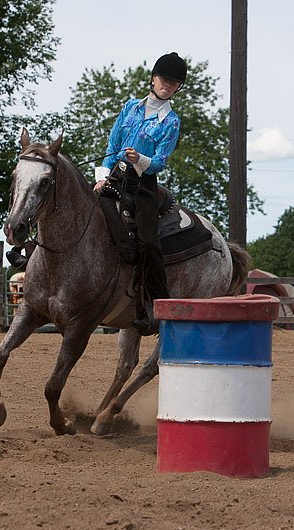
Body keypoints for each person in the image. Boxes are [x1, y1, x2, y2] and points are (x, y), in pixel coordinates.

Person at [93, 52, 187, 335]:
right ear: (153, 79)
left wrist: (139, 159)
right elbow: (112, 144)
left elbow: (159, 161)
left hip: (142, 183)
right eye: (164, 80)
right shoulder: (130, 108)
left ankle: (157, 305)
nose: (167, 86)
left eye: (174, 83)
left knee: (148, 242)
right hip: (114, 176)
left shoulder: (171, 121)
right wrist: (101, 178)